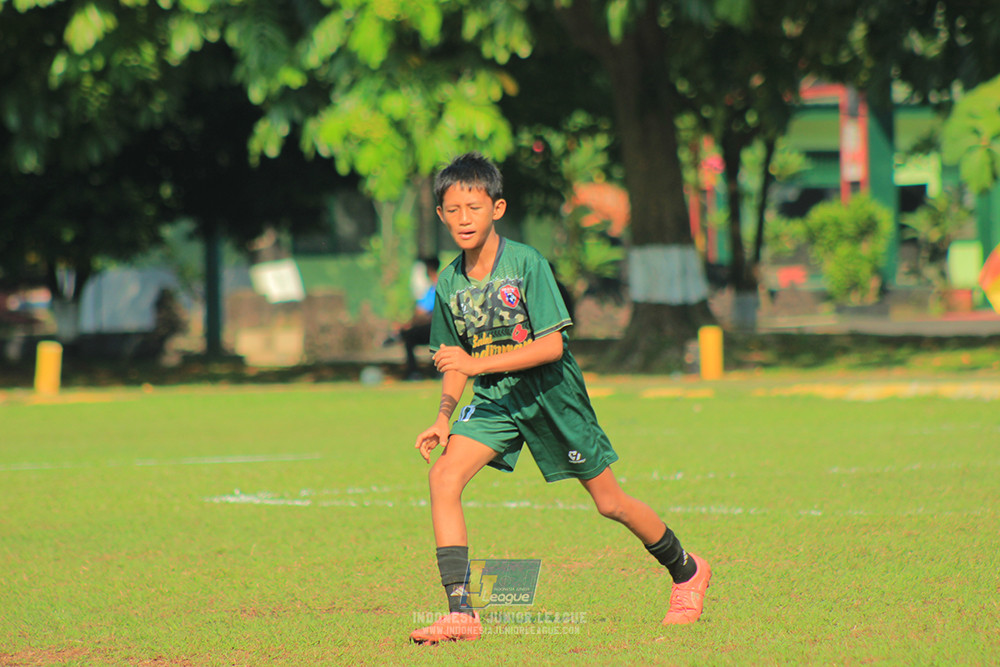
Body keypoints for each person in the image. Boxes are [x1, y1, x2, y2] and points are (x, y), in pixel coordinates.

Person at [409, 152, 711, 644]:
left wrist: (474, 365)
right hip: (496, 399)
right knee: (443, 476)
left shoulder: (526, 263)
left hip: (552, 395)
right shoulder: (448, 283)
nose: (464, 219)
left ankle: (687, 569)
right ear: (441, 215)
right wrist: (444, 417)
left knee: (610, 502)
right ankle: (461, 612)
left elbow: (551, 345)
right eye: (454, 209)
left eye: (475, 207)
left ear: (497, 208)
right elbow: (452, 361)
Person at [387, 258, 439, 379]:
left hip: (432, 328)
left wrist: (409, 324)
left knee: (408, 338)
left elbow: (422, 312)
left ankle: (413, 372)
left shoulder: (435, 288)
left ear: (429, 269)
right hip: (436, 328)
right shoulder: (439, 285)